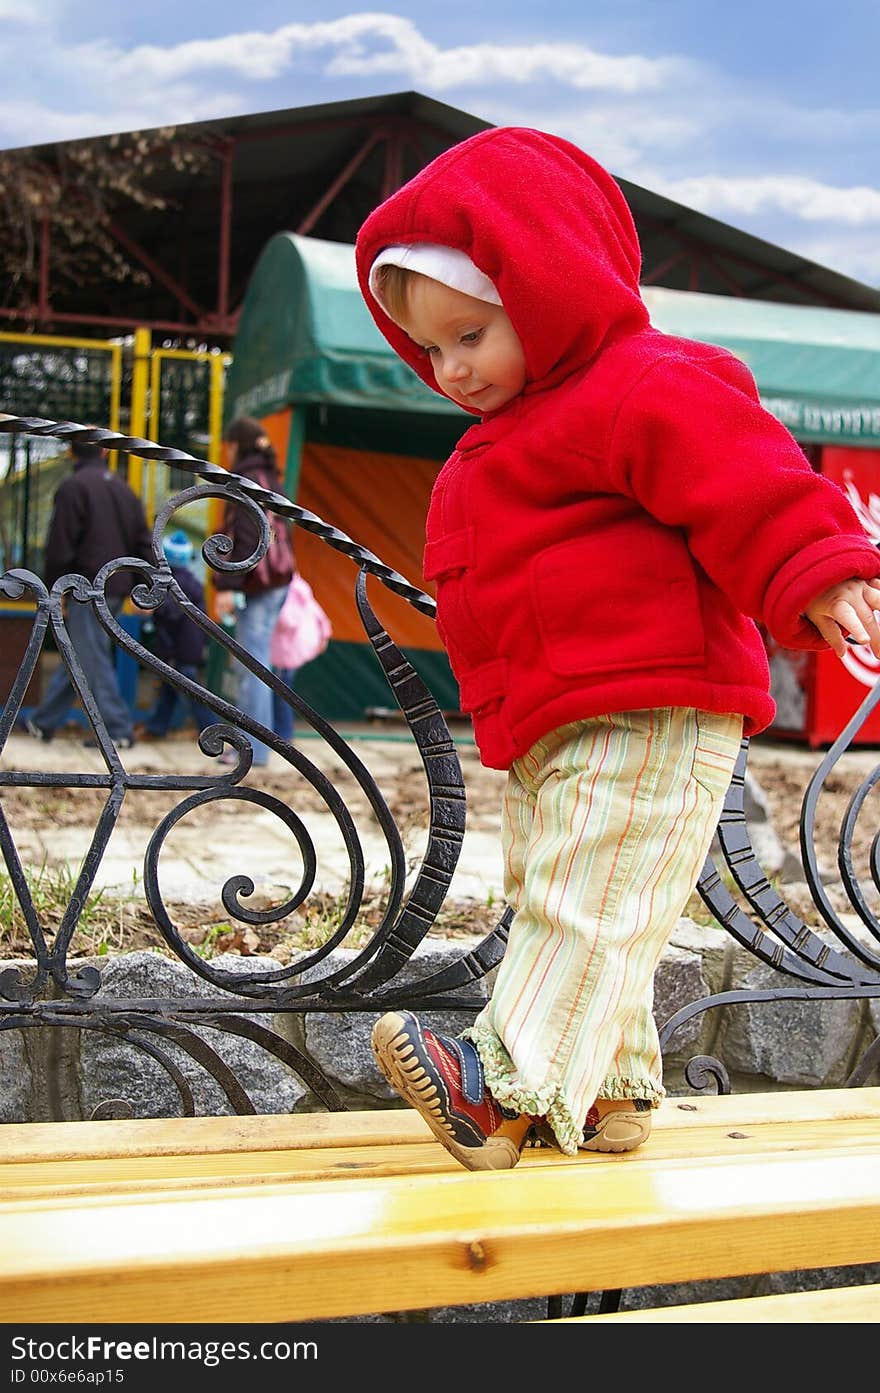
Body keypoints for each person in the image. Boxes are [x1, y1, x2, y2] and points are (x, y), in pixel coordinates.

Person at [354, 126, 880, 1172]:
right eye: (431, 351)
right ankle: (597, 1091)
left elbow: (745, 479)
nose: (452, 369)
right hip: (555, 717)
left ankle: (501, 1085)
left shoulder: (642, 382)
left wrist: (818, 565)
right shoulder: (501, 436)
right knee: (570, 880)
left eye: (472, 334)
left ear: (548, 284)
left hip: (653, 698)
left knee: (585, 891)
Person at [24, 437, 152, 750]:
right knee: (81, 651)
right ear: (105, 450)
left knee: (89, 654)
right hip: (117, 585)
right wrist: (146, 586)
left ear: (70, 451)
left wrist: (56, 588)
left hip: (85, 585)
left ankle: (118, 730)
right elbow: (142, 539)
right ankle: (44, 722)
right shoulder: (123, 489)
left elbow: (61, 543)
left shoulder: (73, 486)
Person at [213, 417, 295, 766]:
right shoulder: (270, 477)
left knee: (253, 666)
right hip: (277, 580)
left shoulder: (245, 480)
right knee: (259, 663)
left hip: (259, 583)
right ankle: (261, 744)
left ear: (235, 445)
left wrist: (228, 585)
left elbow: (247, 538)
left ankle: (255, 749)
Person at [136, 530, 214, 740]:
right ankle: (157, 727)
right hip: (185, 646)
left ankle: (210, 729)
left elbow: (173, 610)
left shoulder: (176, 583)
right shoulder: (191, 582)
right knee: (170, 688)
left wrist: (153, 608)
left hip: (182, 648)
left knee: (192, 692)